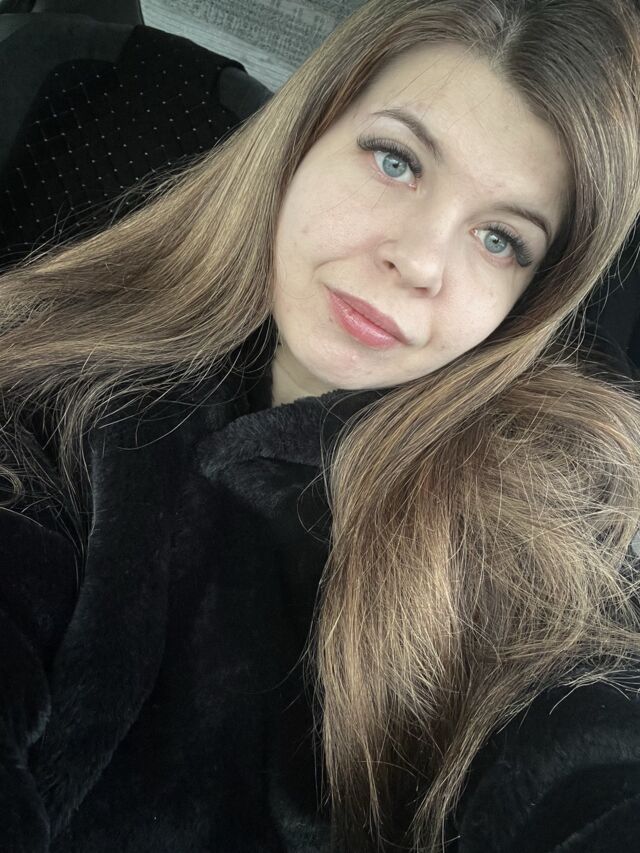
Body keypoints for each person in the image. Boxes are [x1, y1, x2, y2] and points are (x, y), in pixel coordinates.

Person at [1, 0, 640, 851]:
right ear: (304, 137)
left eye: (499, 238)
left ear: (529, 301)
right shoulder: (70, 361)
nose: (419, 260)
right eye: (396, 160)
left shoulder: (541, 524)